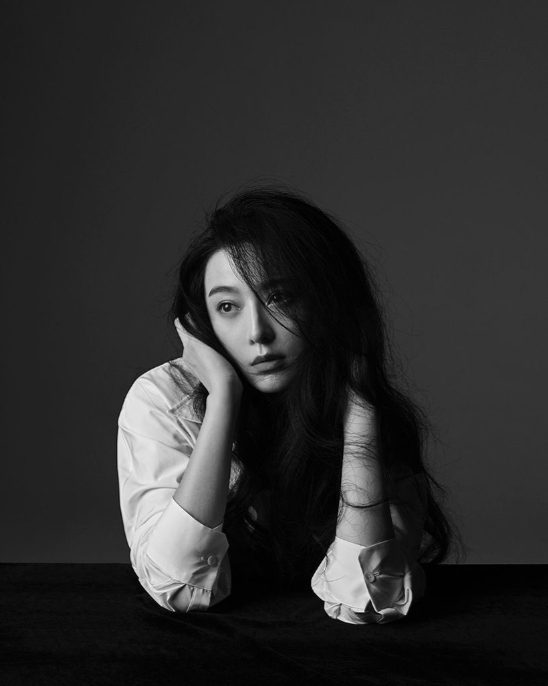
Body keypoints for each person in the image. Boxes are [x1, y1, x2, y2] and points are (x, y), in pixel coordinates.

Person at [117, 186, 457, 624]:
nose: (257, 332)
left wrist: (360, 412)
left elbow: (369, 601)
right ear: (203, 321)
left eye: (280, 298)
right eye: (227, 306)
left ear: (328, 302)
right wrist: (223, 398)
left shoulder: (365, 411)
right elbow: (180, 589)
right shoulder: (164, 399)